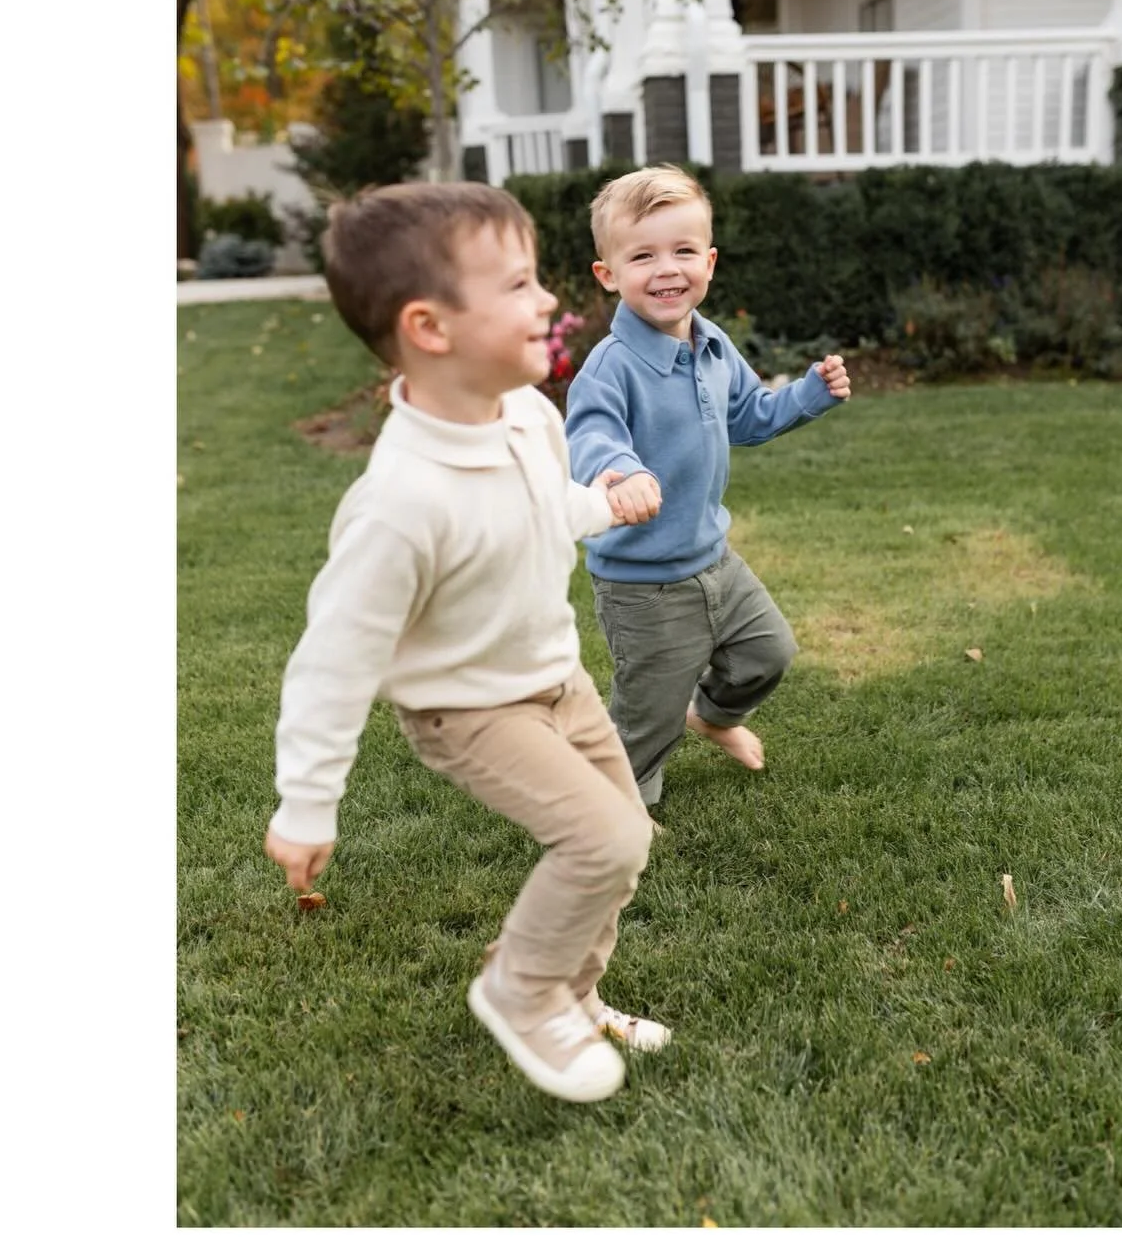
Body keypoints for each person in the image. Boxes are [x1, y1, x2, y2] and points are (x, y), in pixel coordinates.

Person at [264, 182, 670, 1105]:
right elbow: (333, 661)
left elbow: (533, 511)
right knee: (601, 838)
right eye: (521, 285)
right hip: (469, 709)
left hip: (554, 678)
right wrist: (306, 805)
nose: (550, 302)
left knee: (624, 840)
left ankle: (571, 994)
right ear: (430, 328)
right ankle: (519, 990)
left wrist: (597, 508)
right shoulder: (399, 503)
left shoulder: (528, 413)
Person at [565, 164, 851, 809]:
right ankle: (618, 805)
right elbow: (589, 438)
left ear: (710, 262)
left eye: (683, 251)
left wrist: (807, 395)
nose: (667, 269)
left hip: (715, 560)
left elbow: (747, 418)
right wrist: (625, 472)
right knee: (648, 715)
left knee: (768, 652)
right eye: (643, 256)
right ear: (608, 274)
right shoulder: (609, 368)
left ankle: (716, 715)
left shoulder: (713, 343)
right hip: (644, 585)